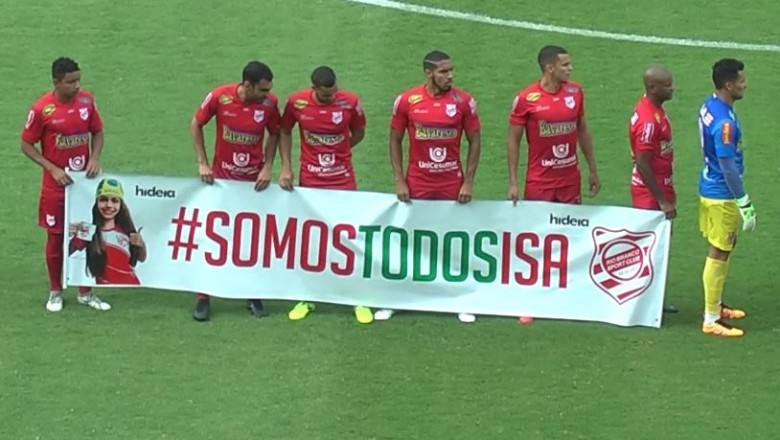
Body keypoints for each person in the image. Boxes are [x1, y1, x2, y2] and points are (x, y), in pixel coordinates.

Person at [375, 50, 482, 324]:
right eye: (444, 72)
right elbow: (395, 140)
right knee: (409, 238)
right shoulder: (407, 101)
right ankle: (398, 297)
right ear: (429, 73)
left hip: (450, 182)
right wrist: (399, 179)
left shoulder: (464, 102)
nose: (450, 76)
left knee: (453, 239)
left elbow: (475, 141)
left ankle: (460, 298)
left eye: (451, 71)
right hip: (418, 182)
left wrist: (468, 180)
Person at [506, 45, 600, 324]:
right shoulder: (527, 99)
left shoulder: (575, 93)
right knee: (537, 240)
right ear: (549, 68)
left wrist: (592, 169)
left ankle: (568, 294)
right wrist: (513, 182)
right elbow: (513, 140)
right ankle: (529, 300)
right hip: (540, 181)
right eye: (565, 65)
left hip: (570, 179)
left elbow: (582, 129)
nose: (570, 69)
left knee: (571, 237)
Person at [278, 66, 373, 324]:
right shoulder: (296, 103)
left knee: (348, 236)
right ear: (314, 88)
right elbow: (284, 131)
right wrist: (286, 167)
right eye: (326, 94)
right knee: (312, 238)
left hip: (342, 179)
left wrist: (340, 150)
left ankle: (357, 298)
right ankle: (308, 296)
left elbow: (360, 132)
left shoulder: (350, 102)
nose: (332, 97)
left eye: (334, 92)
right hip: (311, 180)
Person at [190, 60, 281, 321]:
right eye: (263, 90)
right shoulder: (220, 97)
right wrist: (202, 162)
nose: (268, 95)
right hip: (220, 181)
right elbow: (196, 123)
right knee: (213, 236)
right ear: (248, 85)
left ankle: (252, 294)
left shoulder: (270, 104)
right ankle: (203, 297)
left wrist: (268, 166)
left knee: (250, 239)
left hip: (254, 183)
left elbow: (275, 133)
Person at [21, 57, 110, 312]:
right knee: (56, 237)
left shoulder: (87, 101)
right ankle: (55, 291)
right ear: (56, 82)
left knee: (86, 234)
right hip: (55, 187)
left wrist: (94, 157)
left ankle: (85, 291)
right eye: (71, 81)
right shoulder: (42, 110)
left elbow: (98, 131)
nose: (77, 85)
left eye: (78, 79)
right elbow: (26, 144)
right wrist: (52, 168)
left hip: (83, 185)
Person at [697, 58, 754, 337]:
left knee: (721, 250)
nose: (746, 84)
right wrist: (743, 201)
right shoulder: (724, 123)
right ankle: (711, 319)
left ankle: (716, 306)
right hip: (722, 195)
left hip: (709, 186)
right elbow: (728, 165)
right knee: (719, 251)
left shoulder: (710, 106)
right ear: (728, 85)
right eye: (741, 81)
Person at [628, 65, 679, 314]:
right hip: (650, 194)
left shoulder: (655, 109)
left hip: (660, 188)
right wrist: (661, 200)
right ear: (653, 88)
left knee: (660, 246)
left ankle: (654, 300)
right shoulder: (648, 120)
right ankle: (644, 304)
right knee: (650, 248)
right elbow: (642, 161)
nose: (673, 88)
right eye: (668, 84)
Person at [68, 178, 147, 285]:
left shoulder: (126, 230)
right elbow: (63, 253)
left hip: (132, 288)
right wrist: (67, 233)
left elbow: (141, 258)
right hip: (106, 292)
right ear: (96, 202)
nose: (109, 205)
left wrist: (141, 244)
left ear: (121, 205)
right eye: (103, 199)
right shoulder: (88, 231)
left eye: (115, 201)